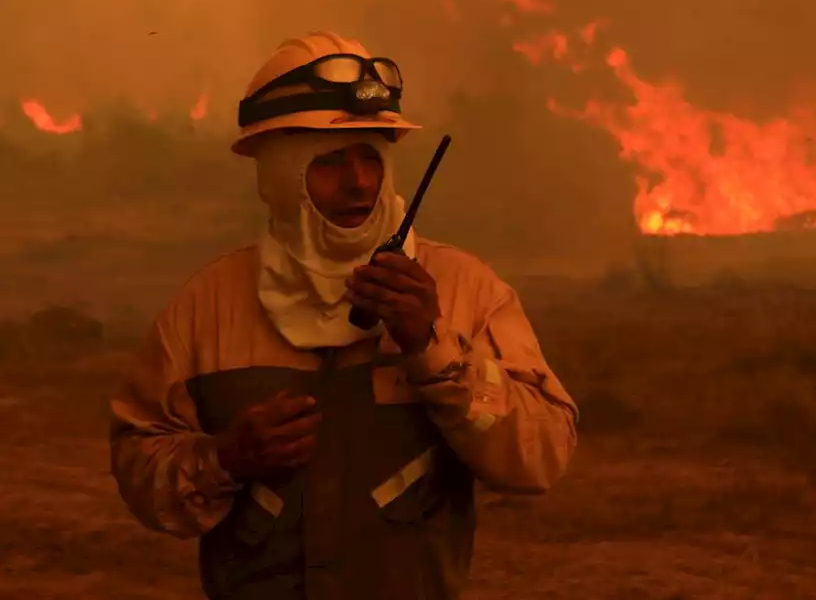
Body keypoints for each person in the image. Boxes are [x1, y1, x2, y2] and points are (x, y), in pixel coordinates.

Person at [108, 31, 579, 600]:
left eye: (370, 158)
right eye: (330, 162)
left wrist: (434, 347)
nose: (359, 182)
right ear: (279, 172)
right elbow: (140, 467)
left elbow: (541, 457)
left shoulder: (465, 291)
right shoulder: (207, 306)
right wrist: (225, 458)